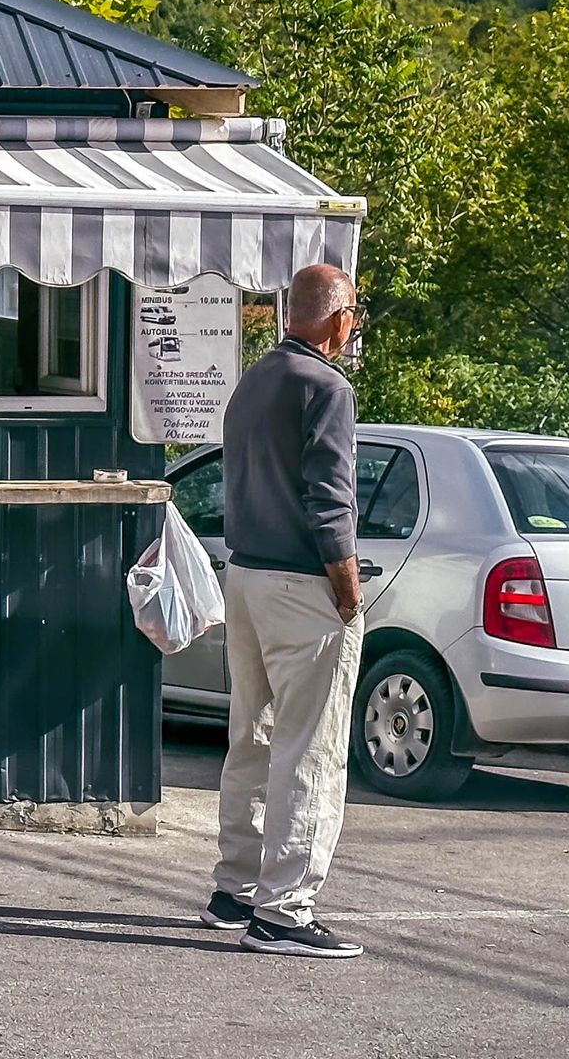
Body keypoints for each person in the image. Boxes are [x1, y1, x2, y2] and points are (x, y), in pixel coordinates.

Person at [200, 263, 367, 958]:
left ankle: (235, 887)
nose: (354, 324)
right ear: (337, 320)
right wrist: (349, 589)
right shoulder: (327, 388)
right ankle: (285, 911)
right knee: (311, 749)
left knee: (254, 736)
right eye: (353, 312)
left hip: (246, 575)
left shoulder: (254, 381)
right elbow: (330, 500)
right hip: (302, 585)